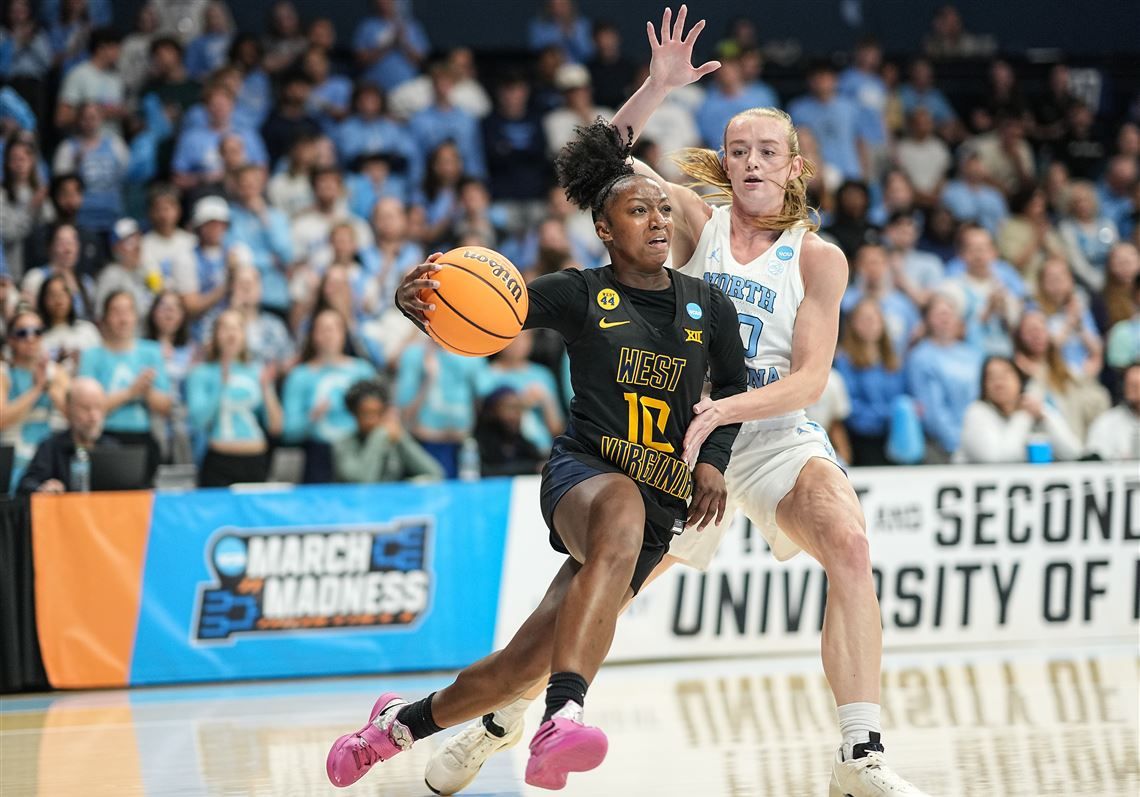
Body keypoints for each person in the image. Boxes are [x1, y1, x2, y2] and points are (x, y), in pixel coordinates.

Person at [426, 9, 929, 796]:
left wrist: (726, 410)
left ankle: (859, 754)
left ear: (794, 167)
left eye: (768, 151)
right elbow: (600, 172)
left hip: (768, 434)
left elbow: (810, 380)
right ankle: (500, 722)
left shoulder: (821, 259)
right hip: (674, 447)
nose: (752, 161)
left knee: (851, 545)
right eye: (738, 151)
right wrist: (656, 86)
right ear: (725, 165)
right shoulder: (696, 221)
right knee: (591, 601)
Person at [325, 116, 746, 791]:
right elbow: (494, 309)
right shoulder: (583, 291)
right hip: (587, 472)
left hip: (662, 499)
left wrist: (713, 459)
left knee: (520, 663)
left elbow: (732, 387)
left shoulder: (709, 306)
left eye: (662, 208)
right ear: (605, 229)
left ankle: (395, 725)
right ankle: (563, 716)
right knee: (619, 506)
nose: (658, 221)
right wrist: (426, 304)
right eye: (638, 211)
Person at [78, 290, 172, 480]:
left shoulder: (151, 351)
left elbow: (166, 407)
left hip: (144, 437)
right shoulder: (91, 355)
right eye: (116, 312)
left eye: (128, 311)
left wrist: (147, 391)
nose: (123, 319)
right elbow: (85, 408)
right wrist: (130, 392)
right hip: (103, 436)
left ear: (136, 316)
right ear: (104, 318)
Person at [186, 309, 282, 486]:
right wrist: (220, 385)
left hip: (256, 458)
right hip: (219, 461)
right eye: (225, 328)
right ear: (215, 335)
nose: (231, 333)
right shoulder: (201, 373)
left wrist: (267, 388)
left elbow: (275, 426)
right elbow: (198, 421)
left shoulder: (257, 371)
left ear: (244, 335)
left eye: (237, 327)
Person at [281, 308, 375, 483]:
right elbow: (288, 431)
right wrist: (312, 416)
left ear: (343, 334)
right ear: (314, 335)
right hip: (318, 455)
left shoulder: (363, 371)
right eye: (323, 329)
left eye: (334, 328)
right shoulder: (299, 376)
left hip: (358, 451)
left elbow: (379, 415)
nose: (329, 334)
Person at [955, 355, 1081, 464]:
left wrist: (1045, 417)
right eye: (991, 377)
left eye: (1005, 375)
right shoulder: (976, 412)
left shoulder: (1035, 409)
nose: (999, 383)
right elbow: (996, 462)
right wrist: (1023, 416)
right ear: (984, 386)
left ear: (1020, 380)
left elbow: (1074, 453)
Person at [906, 293, 984, 461]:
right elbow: (932, 409)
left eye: (949, 314)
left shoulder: (972, 354)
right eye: (939, 314)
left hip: (977, 437)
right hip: (943, 447)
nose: (945, 319)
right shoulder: (922, 357)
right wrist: (956, 443)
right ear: (928, 320)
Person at [834, 299, 907, 466]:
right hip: (862, 438)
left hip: (893, 435)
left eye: (875, 318)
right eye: (864, 319)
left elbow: (900, 396)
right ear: (853, 324)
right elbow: (849, 406)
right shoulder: (844, 361)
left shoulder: (892, 359)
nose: (871, 324)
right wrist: (885, 415)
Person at [1, 307, 67, 491]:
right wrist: (37, 388)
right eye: (22, 333)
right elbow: (2, 419)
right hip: (12, 456)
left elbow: (74, 415)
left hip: (48, 457)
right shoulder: (4, 373)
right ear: (11, 339)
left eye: (37, 332)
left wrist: (51, 387)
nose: (31, 338)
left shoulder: (56, 372)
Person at [332, 377, 443, 483]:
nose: (373, 420)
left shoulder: (395, 438)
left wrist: (402, 438)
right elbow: (362, 482)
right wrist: (379, 436)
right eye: (366, 414)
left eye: (379, 413)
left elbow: (435, 473)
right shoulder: (343, 445)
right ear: (354, 414)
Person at [16, 376, 112, 494]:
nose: (93, 416)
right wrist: (44, 488)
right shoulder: (50, 447)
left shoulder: (112, 449)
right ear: (68, 409)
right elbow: (26, 485)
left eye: (98, 407)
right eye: (85, 408)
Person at [474, 386, 548, 476]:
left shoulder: (522, 443)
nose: (516, 415)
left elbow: (540, 462)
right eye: (510, 408)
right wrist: (532, 468)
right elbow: (482, 472)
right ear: (492, 411)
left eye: (519, 408)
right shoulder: (477, 444)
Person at [36, 273, 100, 370]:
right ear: (43, 300)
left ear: (71, 297)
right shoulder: (36, 336)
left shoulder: (87, 330)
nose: (58, 300)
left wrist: (84, 361)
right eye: (52, 295)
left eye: (63, 293)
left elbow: (100, 362)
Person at [1085, 362, 1140, 461]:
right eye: (1131, 385)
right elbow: (1093, 459)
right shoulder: (1106, 422)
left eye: (1138, 385)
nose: (1136, 391)